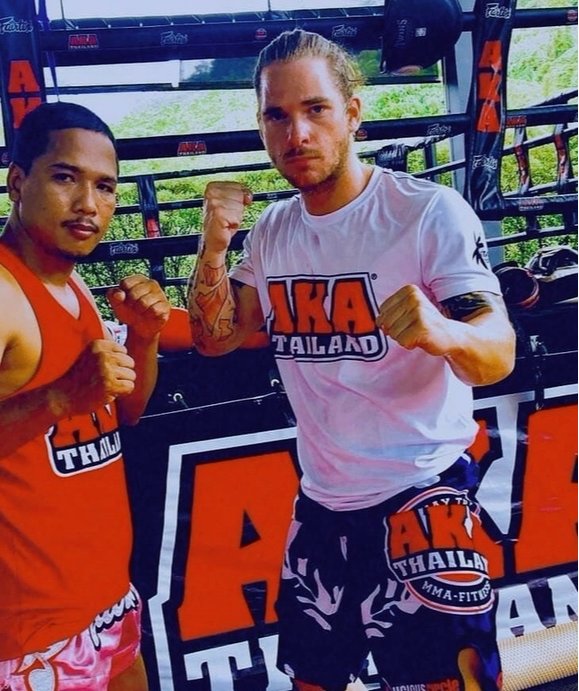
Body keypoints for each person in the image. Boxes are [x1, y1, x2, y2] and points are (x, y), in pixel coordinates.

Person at [187, 28, 515, 691]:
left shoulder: (426, 214)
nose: (296, 133)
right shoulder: (274, 231)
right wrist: (213, 248)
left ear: (353, 113)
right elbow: (215, 338)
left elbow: (497, 356)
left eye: (315, 109)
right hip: (321, 503)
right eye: (277, 115)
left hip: (422, 493)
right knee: (311, 681)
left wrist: (444, 333)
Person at [0, 101, 170, 691]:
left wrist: (144, 339)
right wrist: (56, 398)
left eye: (105, 187)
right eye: (65, 178)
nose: (88, 204)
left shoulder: (73, 285)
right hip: (32, 628)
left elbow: (124, 413)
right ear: (17, 183)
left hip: (106, 602)